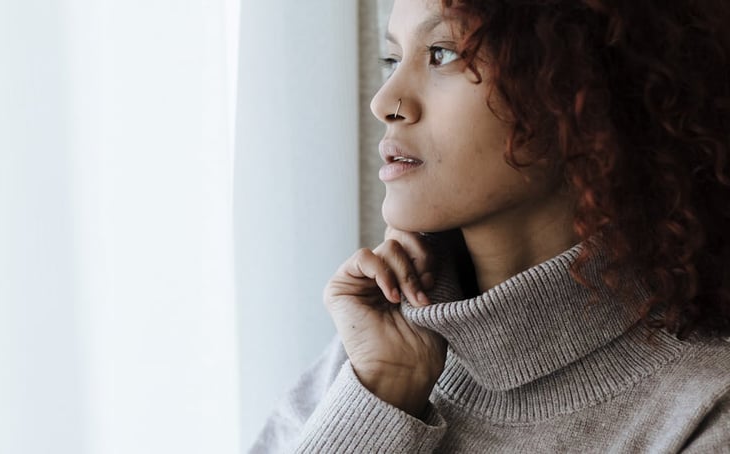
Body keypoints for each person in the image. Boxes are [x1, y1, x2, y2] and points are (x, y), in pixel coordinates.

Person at [251, 0, 730, 451]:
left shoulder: (705, 410)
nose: (386, 101)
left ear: (580, 85)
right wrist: (383, 390)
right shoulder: (366, 354)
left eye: (442, 53)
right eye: (391, 58)